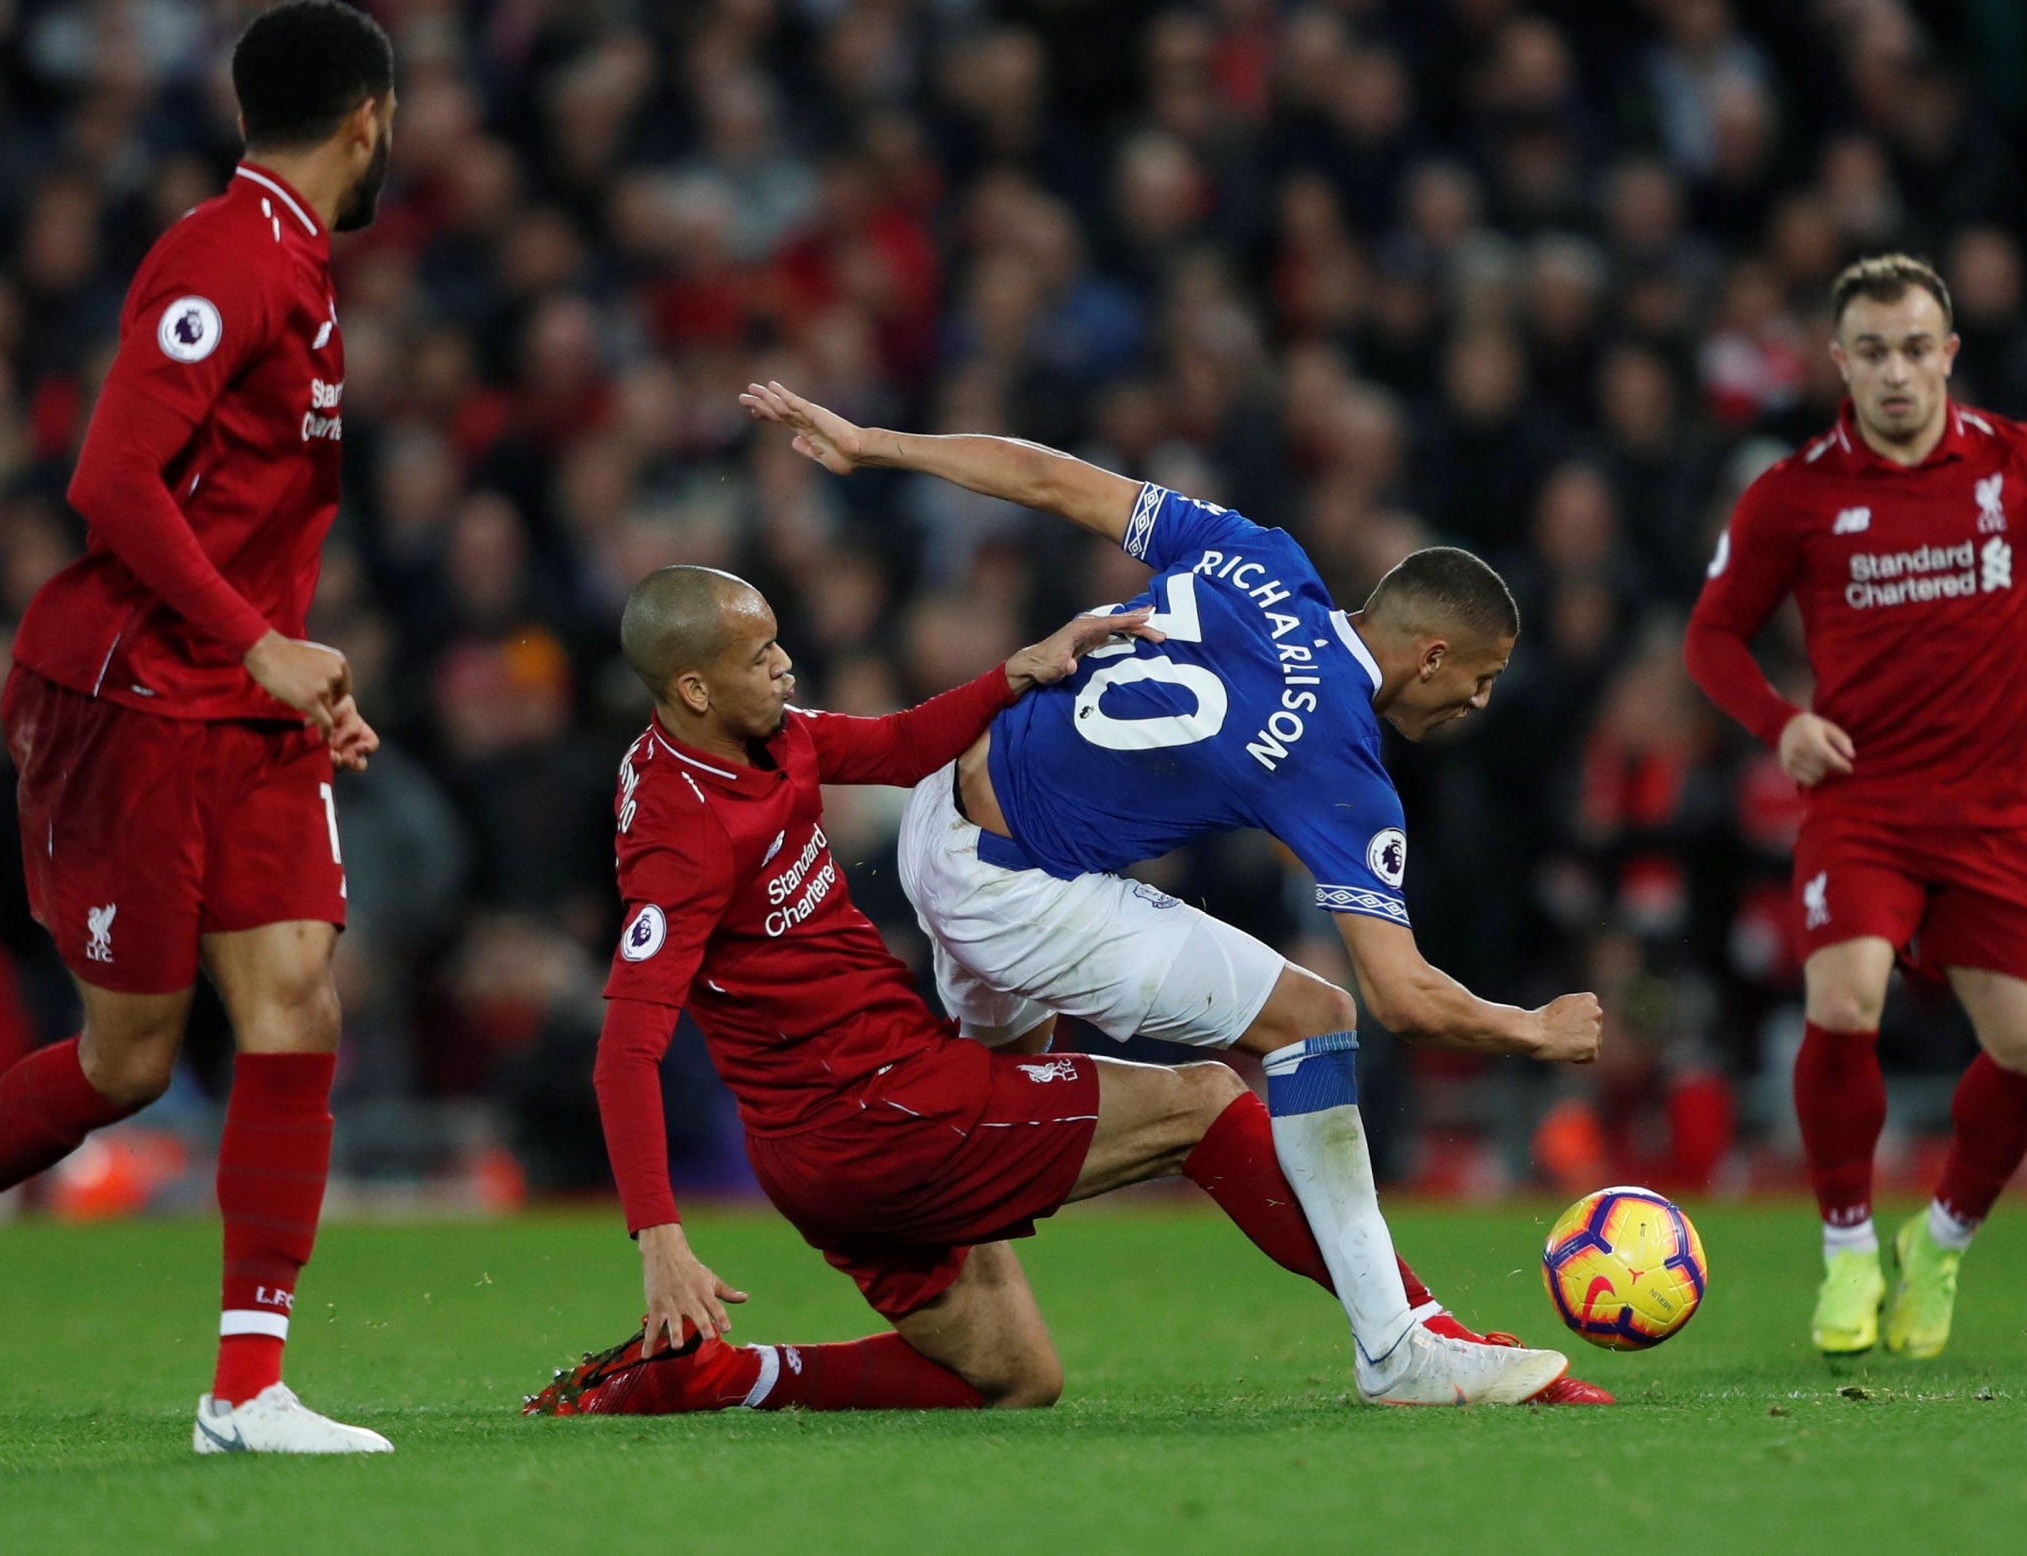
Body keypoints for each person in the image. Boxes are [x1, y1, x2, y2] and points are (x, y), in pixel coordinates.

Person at [527, 565, 1581, 1416]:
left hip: (827, 1140)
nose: (785, 662)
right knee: (1204, 1099)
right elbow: (624, 1043)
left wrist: (1013, 672)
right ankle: (1408, 1332)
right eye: (759, 655)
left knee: (1013, 1375)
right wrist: (659, 1238)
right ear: (693, 687)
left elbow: (894, 746)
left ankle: (721, 1374)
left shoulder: (757, 737)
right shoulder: (682, 834)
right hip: (879, 1108)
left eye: (776, 640)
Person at [738, 380, 1608, 1398]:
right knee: (1314, 1017)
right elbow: (1403, 998)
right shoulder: (1338, 761)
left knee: (989, 1120)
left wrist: (871, 439)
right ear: (1429, 653)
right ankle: (1397, 1345)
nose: (1479, 698)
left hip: (950, 800)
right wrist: (1531, 1029)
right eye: (1480, 674)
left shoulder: (1262, 554)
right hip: (1018, 893)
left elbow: (1048, 477)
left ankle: (889, 1214)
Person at [0, 0, 402, 1454]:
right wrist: (254, 646)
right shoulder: (223, 256)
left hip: (245, 705)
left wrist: (302, 676)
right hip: (133, 700)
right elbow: (112, 479)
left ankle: (247, 1390)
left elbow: (245, 514)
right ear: (369, 117)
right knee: (131, 1060)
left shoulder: (297, 262)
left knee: (298, 1004)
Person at [1683, 253, 2027, 1358]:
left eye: (1914, 347)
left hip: (1996, 815)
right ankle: (1846, 1244)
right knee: (1843, 1004)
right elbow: (1710, 637)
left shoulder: (2020, 463)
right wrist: (1780, 722)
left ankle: (1936, 1242)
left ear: (1948, 352)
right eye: (1872, 351)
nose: (1895, 372)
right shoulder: (1792, 494)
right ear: (1839, 361)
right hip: (1864, 804)